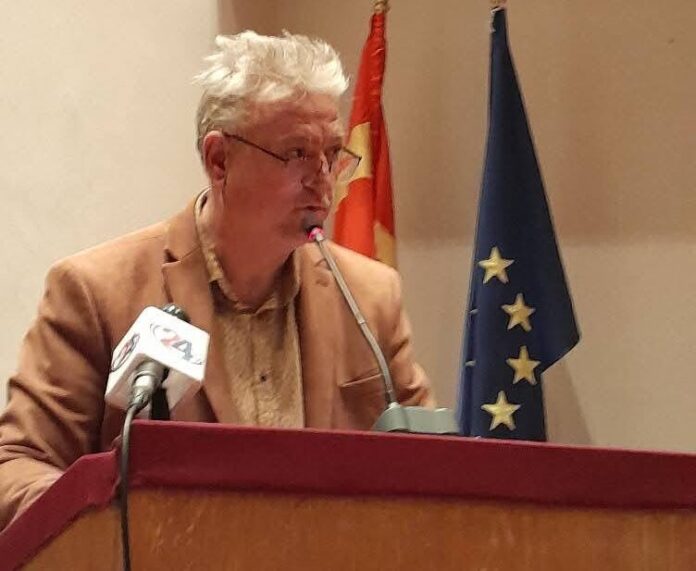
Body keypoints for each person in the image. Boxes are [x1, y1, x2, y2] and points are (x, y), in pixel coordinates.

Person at [0, 31, 433, 530]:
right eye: (297, 153)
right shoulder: (96, 292)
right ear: (219, 160)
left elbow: (432, 466)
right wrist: (122, 525)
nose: (322, 179)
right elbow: (18, 468)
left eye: (332, 154)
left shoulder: (370, 297)